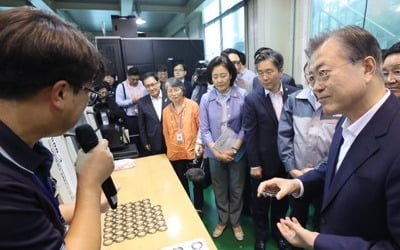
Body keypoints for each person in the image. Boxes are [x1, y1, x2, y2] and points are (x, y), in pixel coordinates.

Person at [258, 25, 400, 249]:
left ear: (367, 67)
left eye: (323, 73)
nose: (316, 87)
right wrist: (296, 183)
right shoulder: (347, 118)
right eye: (312, 78)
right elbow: (338, 168)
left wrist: (317, 241)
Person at [0, 6, 114, 249]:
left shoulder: (19, 151)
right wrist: (91, 184)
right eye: (88, 91)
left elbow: (30, 218)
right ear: (61, 93)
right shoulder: (4, 187)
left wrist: (84, 206)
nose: (87, 103)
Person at [243, 50, 298, 250]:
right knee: (260, 203)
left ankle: (279, 233)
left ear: (281, 71)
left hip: (288, 162)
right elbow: (250, 134)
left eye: (269, 71)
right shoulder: (252, 99)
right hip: (263, 163)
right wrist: (254, 164)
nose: (264, 77)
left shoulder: (294, 93)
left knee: (282, 202)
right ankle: (260, 237)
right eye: (260, 72)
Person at [277, 63, 340, 238]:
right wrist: (290, 167)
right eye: (310, 77)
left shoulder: (338, 102)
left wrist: (320, 170)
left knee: (323, 214)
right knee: (297, 212)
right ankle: (293, 242)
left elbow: (341, 142)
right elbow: (284, 136)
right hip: (297, 172)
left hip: (327, 175)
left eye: (322, 75)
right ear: (305, 77)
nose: (315, 82)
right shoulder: (294, 100)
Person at [199, 55, 247, 241]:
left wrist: (234, 150)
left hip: (237, 152)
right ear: (211, 77)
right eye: (215, 76)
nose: (219, 80)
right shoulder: (205, 98)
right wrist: (216, 151)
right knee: (219, 189)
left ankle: (235, 222)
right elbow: (204, 129)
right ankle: (222, 220)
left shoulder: (243, 96)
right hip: (215, 153)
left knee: (236, 188)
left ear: (231, 75)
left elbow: (245, 126)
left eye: (223, 75)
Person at [162, 78, 203, 212]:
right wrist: (169, 151)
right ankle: (186, 206)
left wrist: (200, 145)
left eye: (176, 90)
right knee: (181, 181)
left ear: (182, 90)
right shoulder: (166, 111)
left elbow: (201, 127)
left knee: (197, 181)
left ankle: (198, 207)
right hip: (175, 151)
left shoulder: (193, 106)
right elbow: (166, 132)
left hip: (193, 150)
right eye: (170, 91)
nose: (174, 93)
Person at [115, 67, 147, 154]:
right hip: (130, 117)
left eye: (137, 79)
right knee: (133, 138)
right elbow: (119, 102)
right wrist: (132, 101)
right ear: (127, 76)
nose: (135, 81)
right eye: (133, 79)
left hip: (144, 115)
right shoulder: (121, 87)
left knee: (144, 137)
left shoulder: (143, 84)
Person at [137, 72, 170, 156]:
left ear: (158, 83)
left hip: (171, 139)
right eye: (147, 86)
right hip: (153, 141)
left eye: (153, 84)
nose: (151, 88)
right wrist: (145, 142)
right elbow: (141, 125)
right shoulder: (142, 102)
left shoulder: (170, 97)